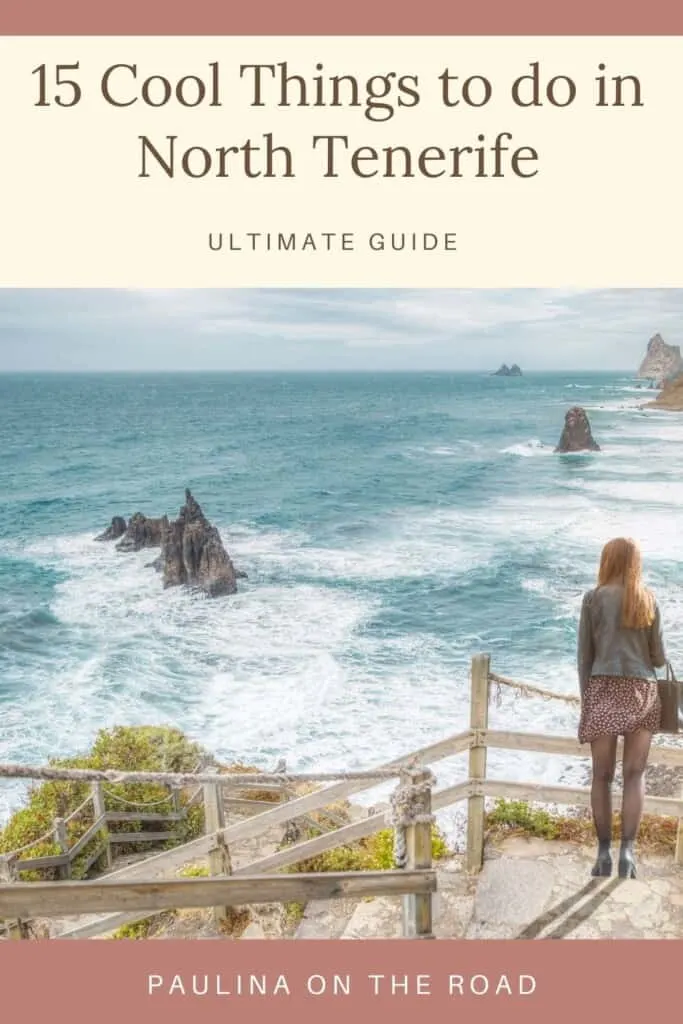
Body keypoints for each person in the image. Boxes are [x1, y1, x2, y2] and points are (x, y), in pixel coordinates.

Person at [577, 537, 667, 879]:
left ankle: (603, 855)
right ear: (635, 562)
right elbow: (658, 659)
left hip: (603, 687)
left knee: (601, 776)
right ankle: (628, 854)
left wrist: (588, 700)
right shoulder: (647, 598)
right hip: (642, 690)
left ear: (607, 561)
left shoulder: (592, 599)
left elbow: (585, 657)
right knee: (635, 775)